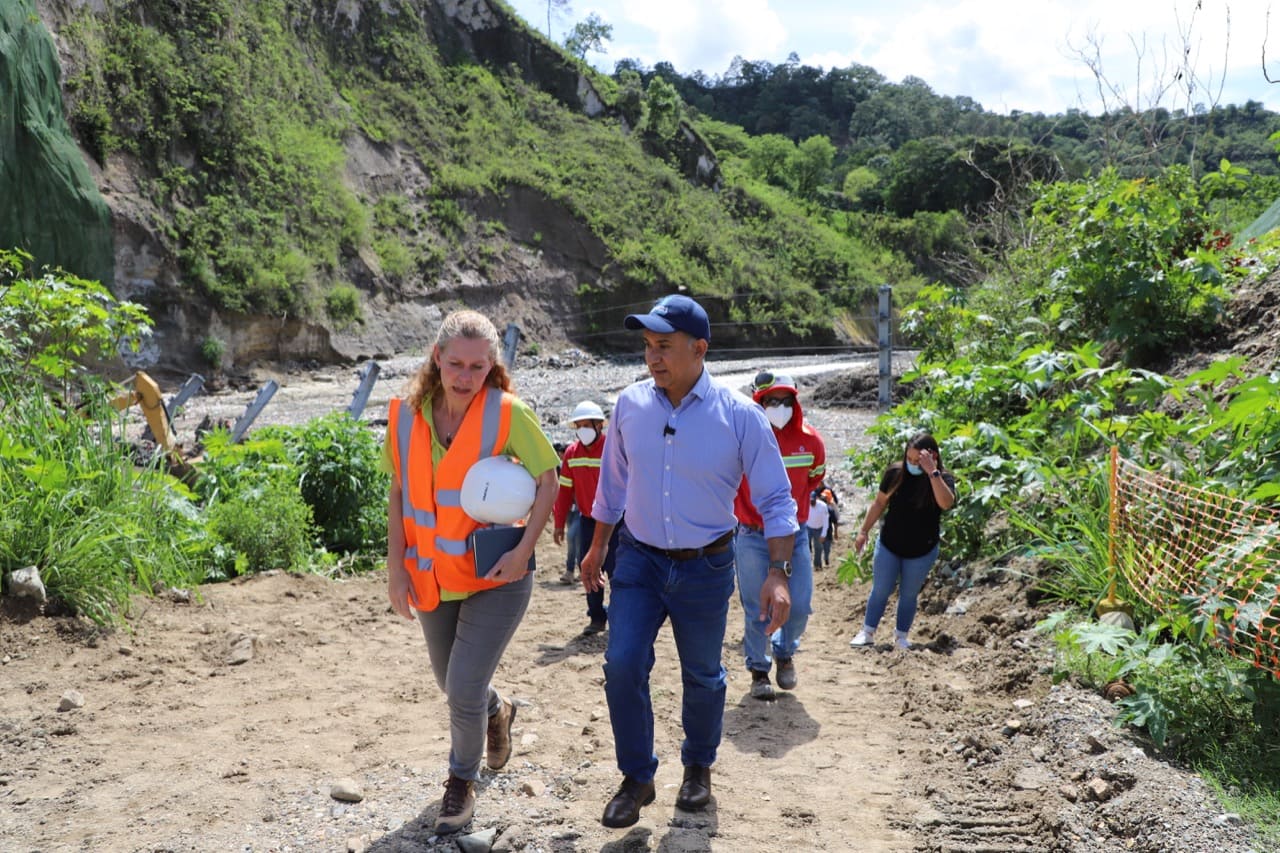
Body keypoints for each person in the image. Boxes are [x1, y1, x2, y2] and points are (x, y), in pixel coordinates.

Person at [579, 294, 797, 829]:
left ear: (699, 349)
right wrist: (598, 544)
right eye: (648, 347)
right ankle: (637, 777)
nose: (653, 358)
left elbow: (775, 500)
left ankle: (698, 767)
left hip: (706, 566)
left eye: (665, 347)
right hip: (639, 561)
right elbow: (613, 484)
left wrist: (777, 573)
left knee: (702, 674)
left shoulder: (741, 417)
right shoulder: (629, 405)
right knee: (622, 664)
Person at [384, 310, 561, 835]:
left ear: (491, 367)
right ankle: (497, 711)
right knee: (455, 684)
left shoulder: (507, 414)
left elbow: (549, 479)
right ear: (436, 358)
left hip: (497, 576)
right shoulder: (403, 417)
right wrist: (395, 570)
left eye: (477, 367)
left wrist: (525, 548)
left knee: (461, 685)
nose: (464, 376)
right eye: (455, 363)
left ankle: (461, 783)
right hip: (432, 576)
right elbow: (397, 495)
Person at [732, 371, 826, 700]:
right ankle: (759, 669)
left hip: (794, 536)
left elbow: (814, 479)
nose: (779, 407)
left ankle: (785, 653)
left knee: (798, 604)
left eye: (786, 401)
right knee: (756, 605)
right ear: (760, 403)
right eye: (772, 401)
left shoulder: (810, 441)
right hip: (752, 536)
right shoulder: (744, 438)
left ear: (795, 403)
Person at [849, 432, 956, 650]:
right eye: (910, 459)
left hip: (922, 549)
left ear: (932, 456)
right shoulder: (895, 473)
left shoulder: (942, 478)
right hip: (890, 544)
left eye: (918, 460)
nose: (912, 464)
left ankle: (901, 637)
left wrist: (931, 472)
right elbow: (879, 504)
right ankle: (867, 632)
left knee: (908, 593)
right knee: (881, 589)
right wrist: (863, 531)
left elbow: (946, 503)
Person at [553, 399, 620, 635]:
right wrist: (559, 523)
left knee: (617, 570)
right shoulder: (571, 454)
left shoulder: (613, 450)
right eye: (578, 425)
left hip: (616, 522)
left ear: (599, 425)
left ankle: (620, 618)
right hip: (588, 521)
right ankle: (597, 618)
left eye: (586, 425)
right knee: (589, 570)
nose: (583, 430)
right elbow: (564, 493)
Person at [805, 490, 830, 569]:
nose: (811, 502)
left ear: (816, 498)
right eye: (810, 500)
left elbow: (826, 521)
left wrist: (823, 534)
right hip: (808, 528)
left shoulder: (823, 506)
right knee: (805, 546)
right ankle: (806, 565)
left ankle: (817, 564)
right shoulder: (806, 504)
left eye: (813, 500)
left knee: (818, 547)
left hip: (819, 529)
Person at [821, 489, 839, 569]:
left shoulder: (831, 508)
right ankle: (820, 561)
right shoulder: (819, 507)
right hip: (819, 530)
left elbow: (835, 520)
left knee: (827, 547)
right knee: (819, 547)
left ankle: (826, 558)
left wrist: (835, 532)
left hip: (828, 531)